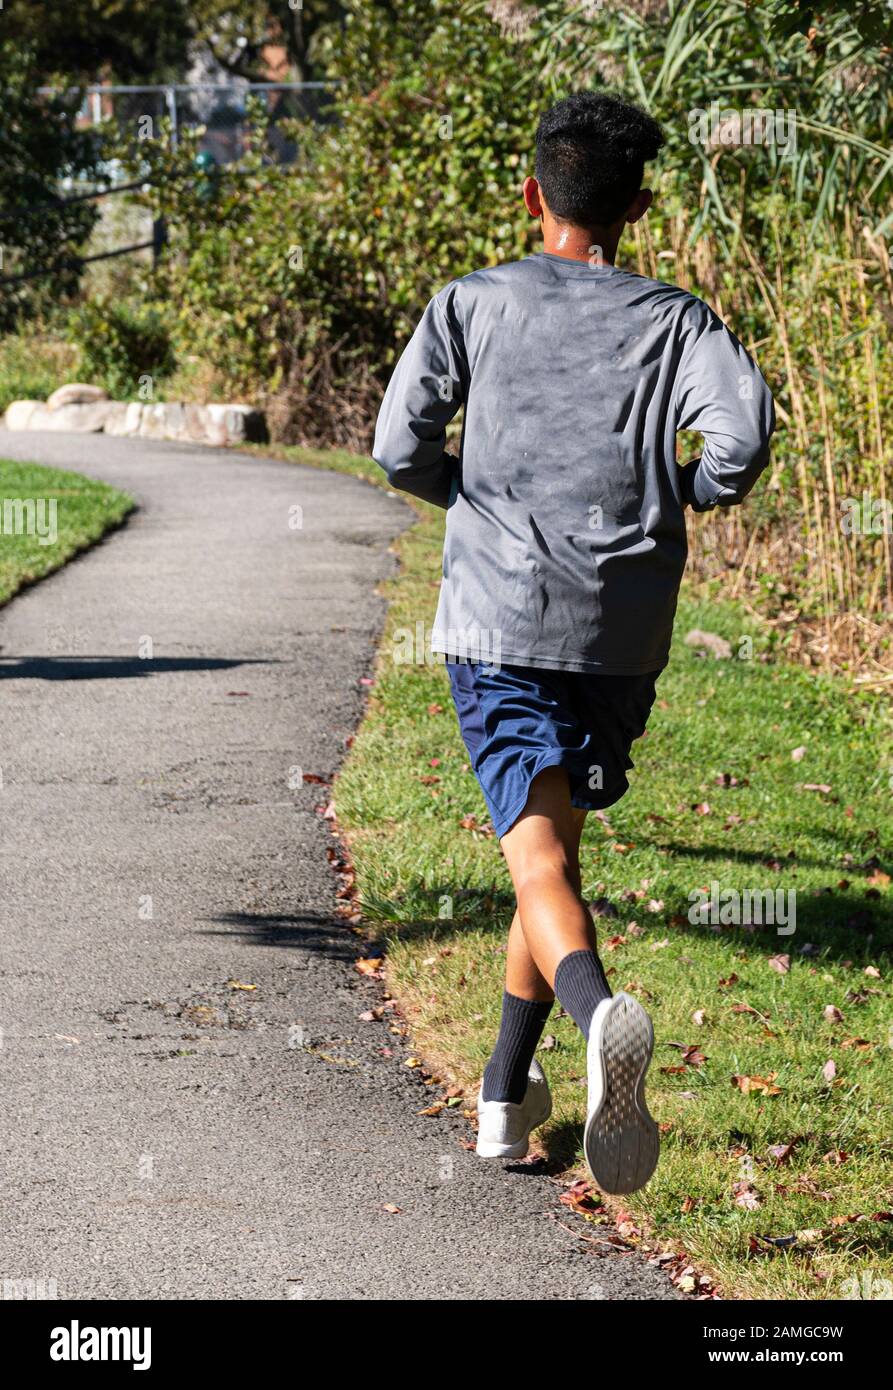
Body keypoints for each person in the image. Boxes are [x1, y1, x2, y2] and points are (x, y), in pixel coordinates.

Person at [372, 91, 774, 1194]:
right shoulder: (677, 319)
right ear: (637, 206)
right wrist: (687, 485)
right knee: (550, 846)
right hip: (619, 628)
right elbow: (741, 436)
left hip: (501, 619)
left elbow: (395, 441)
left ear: (529, 193)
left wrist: (458, 493)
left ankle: (597, 1017)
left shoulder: (470, 303)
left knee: (536, 856)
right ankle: (503, 1101)